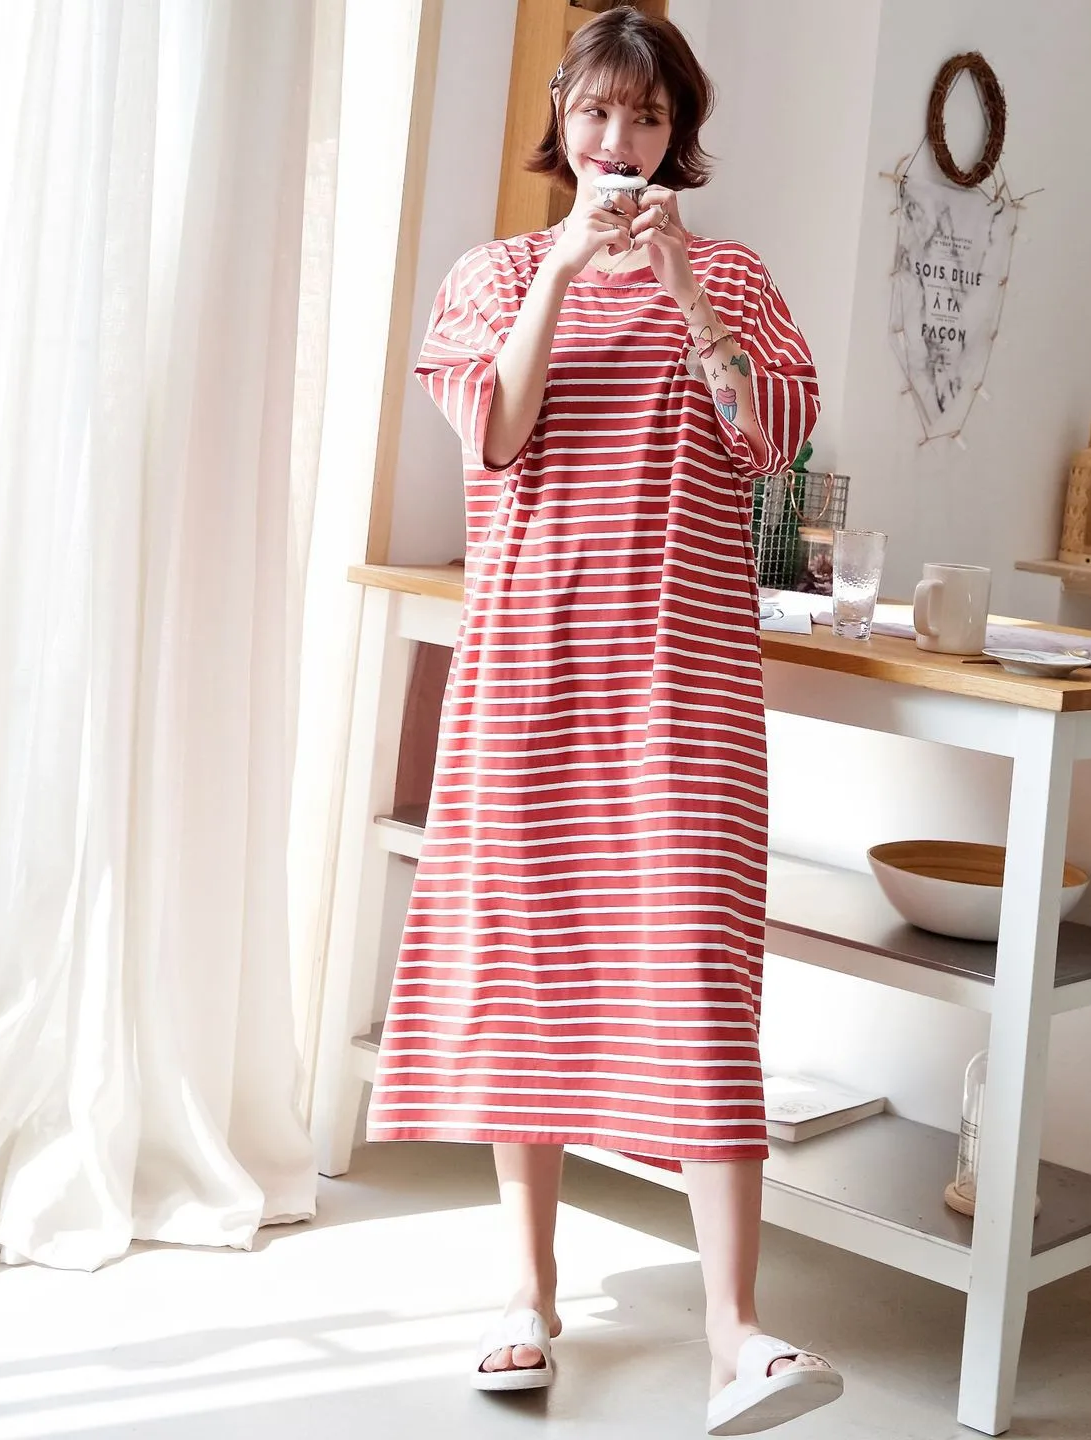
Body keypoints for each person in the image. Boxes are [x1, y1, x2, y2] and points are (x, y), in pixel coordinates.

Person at [368, 7, 841, 1433]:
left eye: (645, 118)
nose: (617, 141)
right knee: (525, 964)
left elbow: (767, 441)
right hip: (532, 672)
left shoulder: (737, 279)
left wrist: (686, 287)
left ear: (677, 135)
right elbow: (497, 433)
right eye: (596, 112)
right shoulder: (494, 275)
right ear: (562, 119)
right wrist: (566, 269)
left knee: (696, 976)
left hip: (684, 685)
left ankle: (738, 1334)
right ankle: (527, 1295)